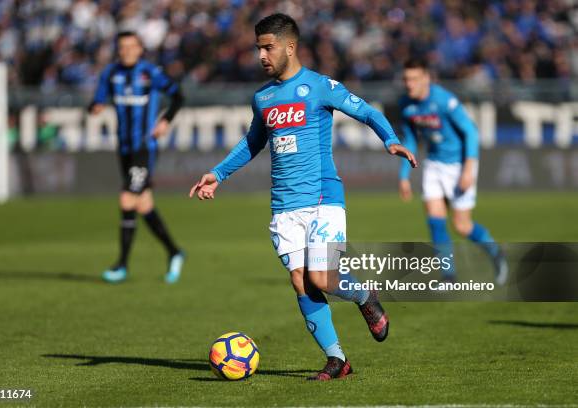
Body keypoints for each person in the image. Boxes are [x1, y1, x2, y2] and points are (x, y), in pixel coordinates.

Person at [189, 14, 417, 380]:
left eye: (268, 47)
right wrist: (217, 174)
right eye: (259, 48)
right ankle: (337, 360)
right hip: (284, 205)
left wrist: (389, 139)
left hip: (324, 197)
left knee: (322, 278)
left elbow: (367, 111)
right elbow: (252, 142)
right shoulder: (262, 98)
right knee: (301, 281)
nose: (262, 55)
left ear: (290, 47)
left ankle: (365, 298)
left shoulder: (320, 86)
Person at [398, 57, 507, 285]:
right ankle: (448, 276)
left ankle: (496, 254)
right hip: (433, 165)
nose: (409, 84)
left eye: (414, 79)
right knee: (435, 221)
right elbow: (409, 139)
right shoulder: (406, 105)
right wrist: (404, 176)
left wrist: (469, 167)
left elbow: (471, 131)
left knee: (462, 226)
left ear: (426, 78)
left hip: (458, 165)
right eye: (406, 79)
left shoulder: (445, 101)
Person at [90, 31, 185, 284]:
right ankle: (175, 252)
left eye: (132, 46)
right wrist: (94, 108)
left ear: (140, 48)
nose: (127, 51)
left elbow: (178, 95)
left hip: (145, 147)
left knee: (126, 199)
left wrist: (165, 119)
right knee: (143, 205)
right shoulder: (111, 73)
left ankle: (121, 265)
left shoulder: (151, 73)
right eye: (122, 47)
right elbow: (96, 101)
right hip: (124, 148)